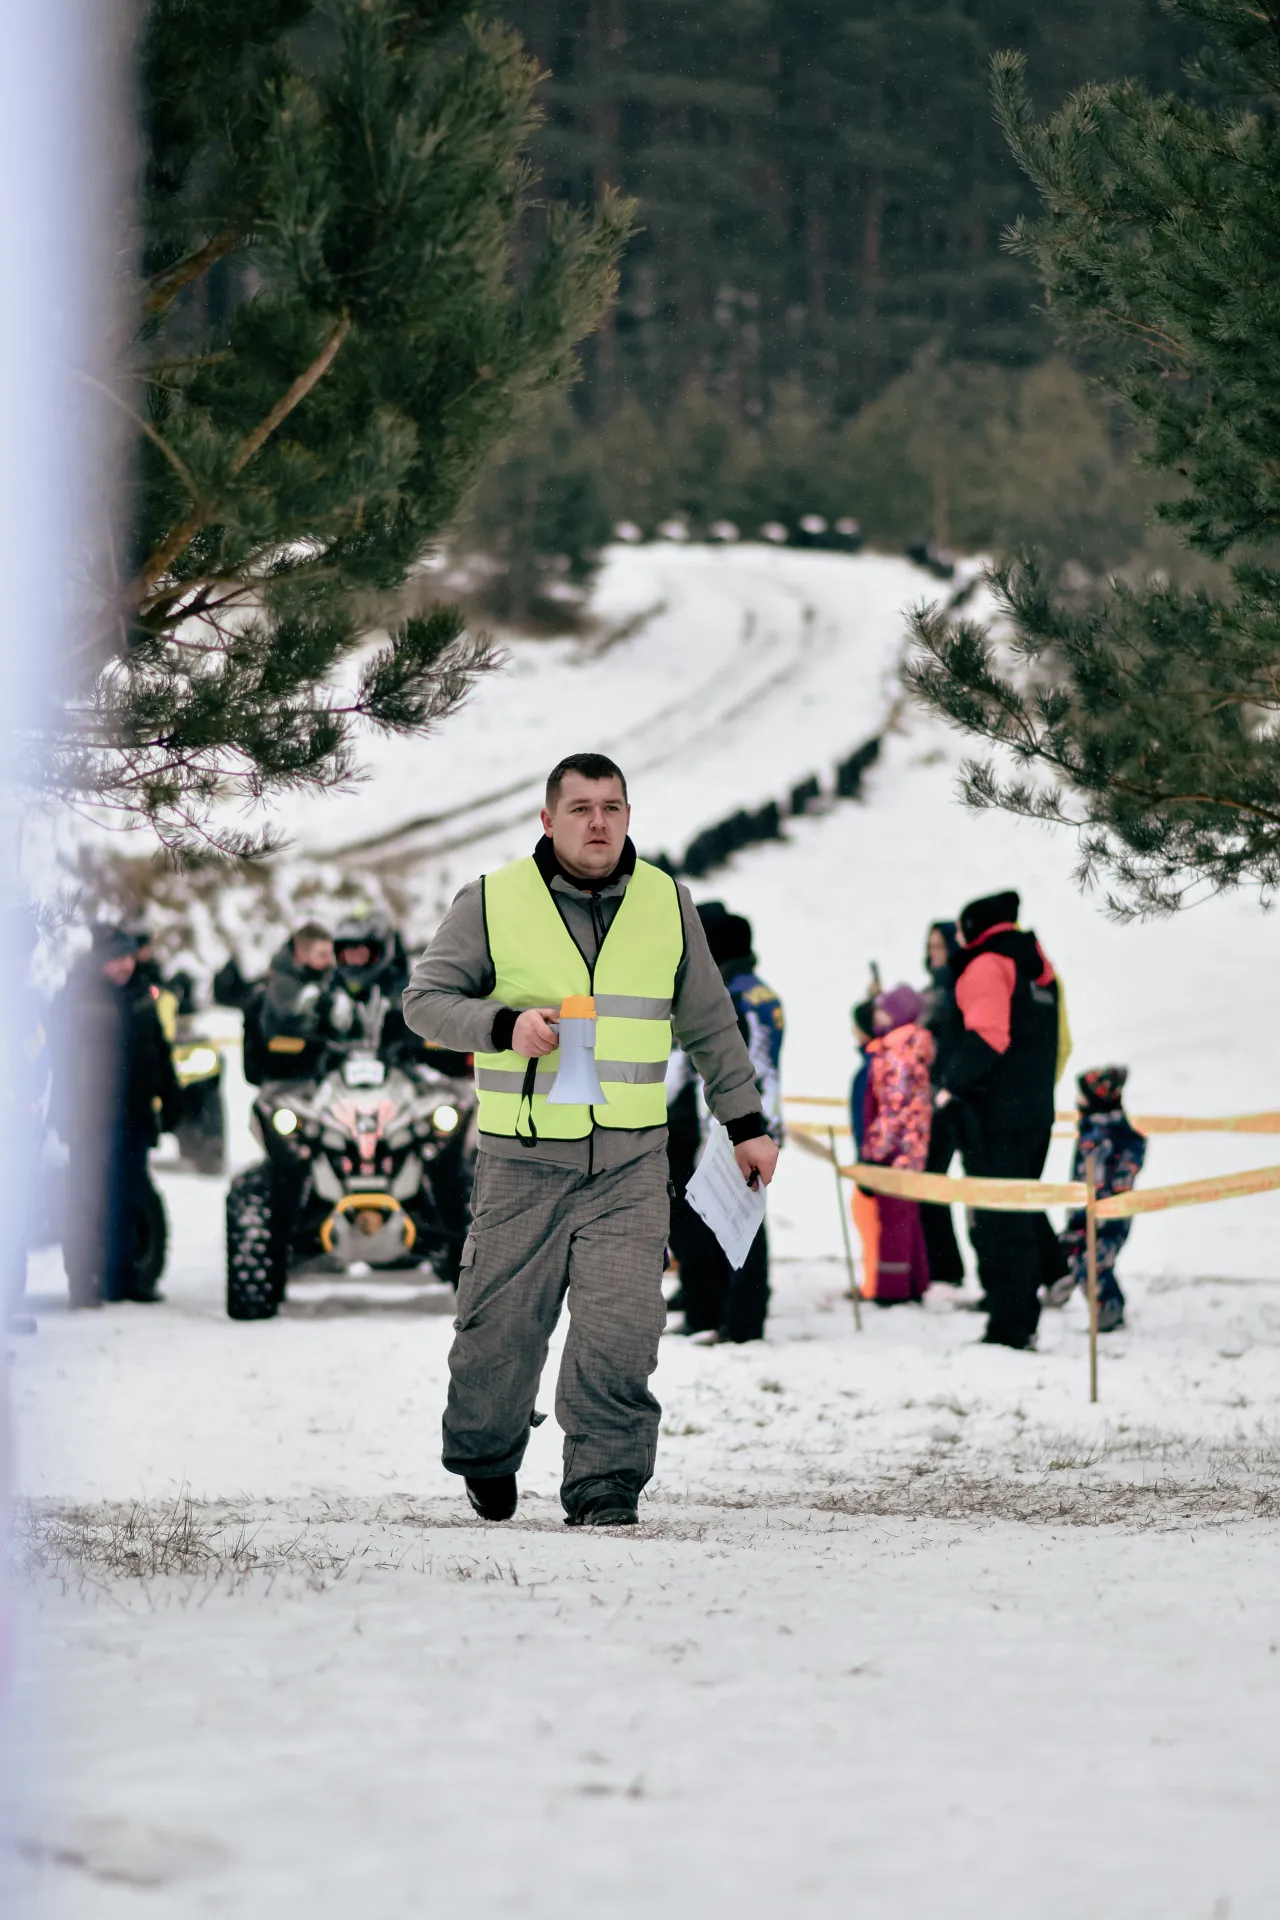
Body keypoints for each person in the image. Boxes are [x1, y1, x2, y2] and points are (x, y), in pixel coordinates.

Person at [402, 750, 778, 1527]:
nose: (598, 822)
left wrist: (745, 1125)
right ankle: (486, 1454)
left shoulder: (667, 901)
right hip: (521, 1163)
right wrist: (503, 1025)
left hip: (631, 1164)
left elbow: (711, 1025)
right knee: (499, 1335)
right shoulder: (490, 900)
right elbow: (424, 1001)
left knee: (623, 1330)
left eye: (611, 807)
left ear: (628, 815)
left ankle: (605, 1483)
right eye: (580, 809)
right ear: (548, 820)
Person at [936, 890, 1071, 1350]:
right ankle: (1018, 1316)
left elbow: (988, 1037)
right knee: (1018, 1213)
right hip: (1035, 1112)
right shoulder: (1037, 967)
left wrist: (949, 1085)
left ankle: (1009, 1326)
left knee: (997, 1222)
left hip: (992, 1117)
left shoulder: (987, 965)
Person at [666, 909, 784, 1344]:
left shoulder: (726, 994)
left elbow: (720, 1066)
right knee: (740, 1217)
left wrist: (717, 1126)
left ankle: (734, 1320)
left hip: (725, 1122)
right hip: (755, 1117)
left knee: (727, 1220)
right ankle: (728, 1313)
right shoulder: (759, 990)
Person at [51, 926, 181, 1307]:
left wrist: (172, 1098)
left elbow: (159, 1050)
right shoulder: (76, 997)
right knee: (87, 1201)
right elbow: (60, 1063)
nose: (125, 966)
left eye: (128, 958)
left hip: (134, 1115)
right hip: (90, 1118)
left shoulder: (141, 994)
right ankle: (83, 1282)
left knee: (129, 1198)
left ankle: (125, 1278)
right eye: (116, 959)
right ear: (99, 961)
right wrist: (62, 1112)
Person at [853, 983, 933, 1305]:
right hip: (910, 1147)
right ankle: (916, 1282)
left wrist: (875, 1149)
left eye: (884, 1011)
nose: (877, 1017)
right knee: (907, 1216)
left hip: (896, 1149)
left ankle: (892, 1289)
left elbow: (893, 1109)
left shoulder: (896, 1053)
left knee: (894, 1220)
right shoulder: (908, 1047)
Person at [1053, 1066, 1146, 1331]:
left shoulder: (1107, 1135)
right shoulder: (1097, 1128)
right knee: (1080, 1255)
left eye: (1082, 1095)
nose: (1077, 1100)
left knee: (1094, 1261)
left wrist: (1111, 1193)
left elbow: (1108, 1173)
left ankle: (1109, 1312)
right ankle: (1064, 1288)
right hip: (1092, 1210)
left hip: (1105, 1213)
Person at [918, 920, 966, 1285]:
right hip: (931, 1098)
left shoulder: (954, 991)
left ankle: (946, 1269)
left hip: (945, 1100)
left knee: (930, 1182)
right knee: (929, 1183)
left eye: (941, 946)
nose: (935, 953)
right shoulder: (934, 989)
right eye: (931, 945)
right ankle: (943, 1268)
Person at [258, 922, 339, 1081]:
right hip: (289, 1075)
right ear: (301, 954)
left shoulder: (324, 977)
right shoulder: (283, 984)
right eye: (322, 955)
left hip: (322, 1072)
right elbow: (293, 1022)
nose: (330, 961)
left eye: (331, 954)